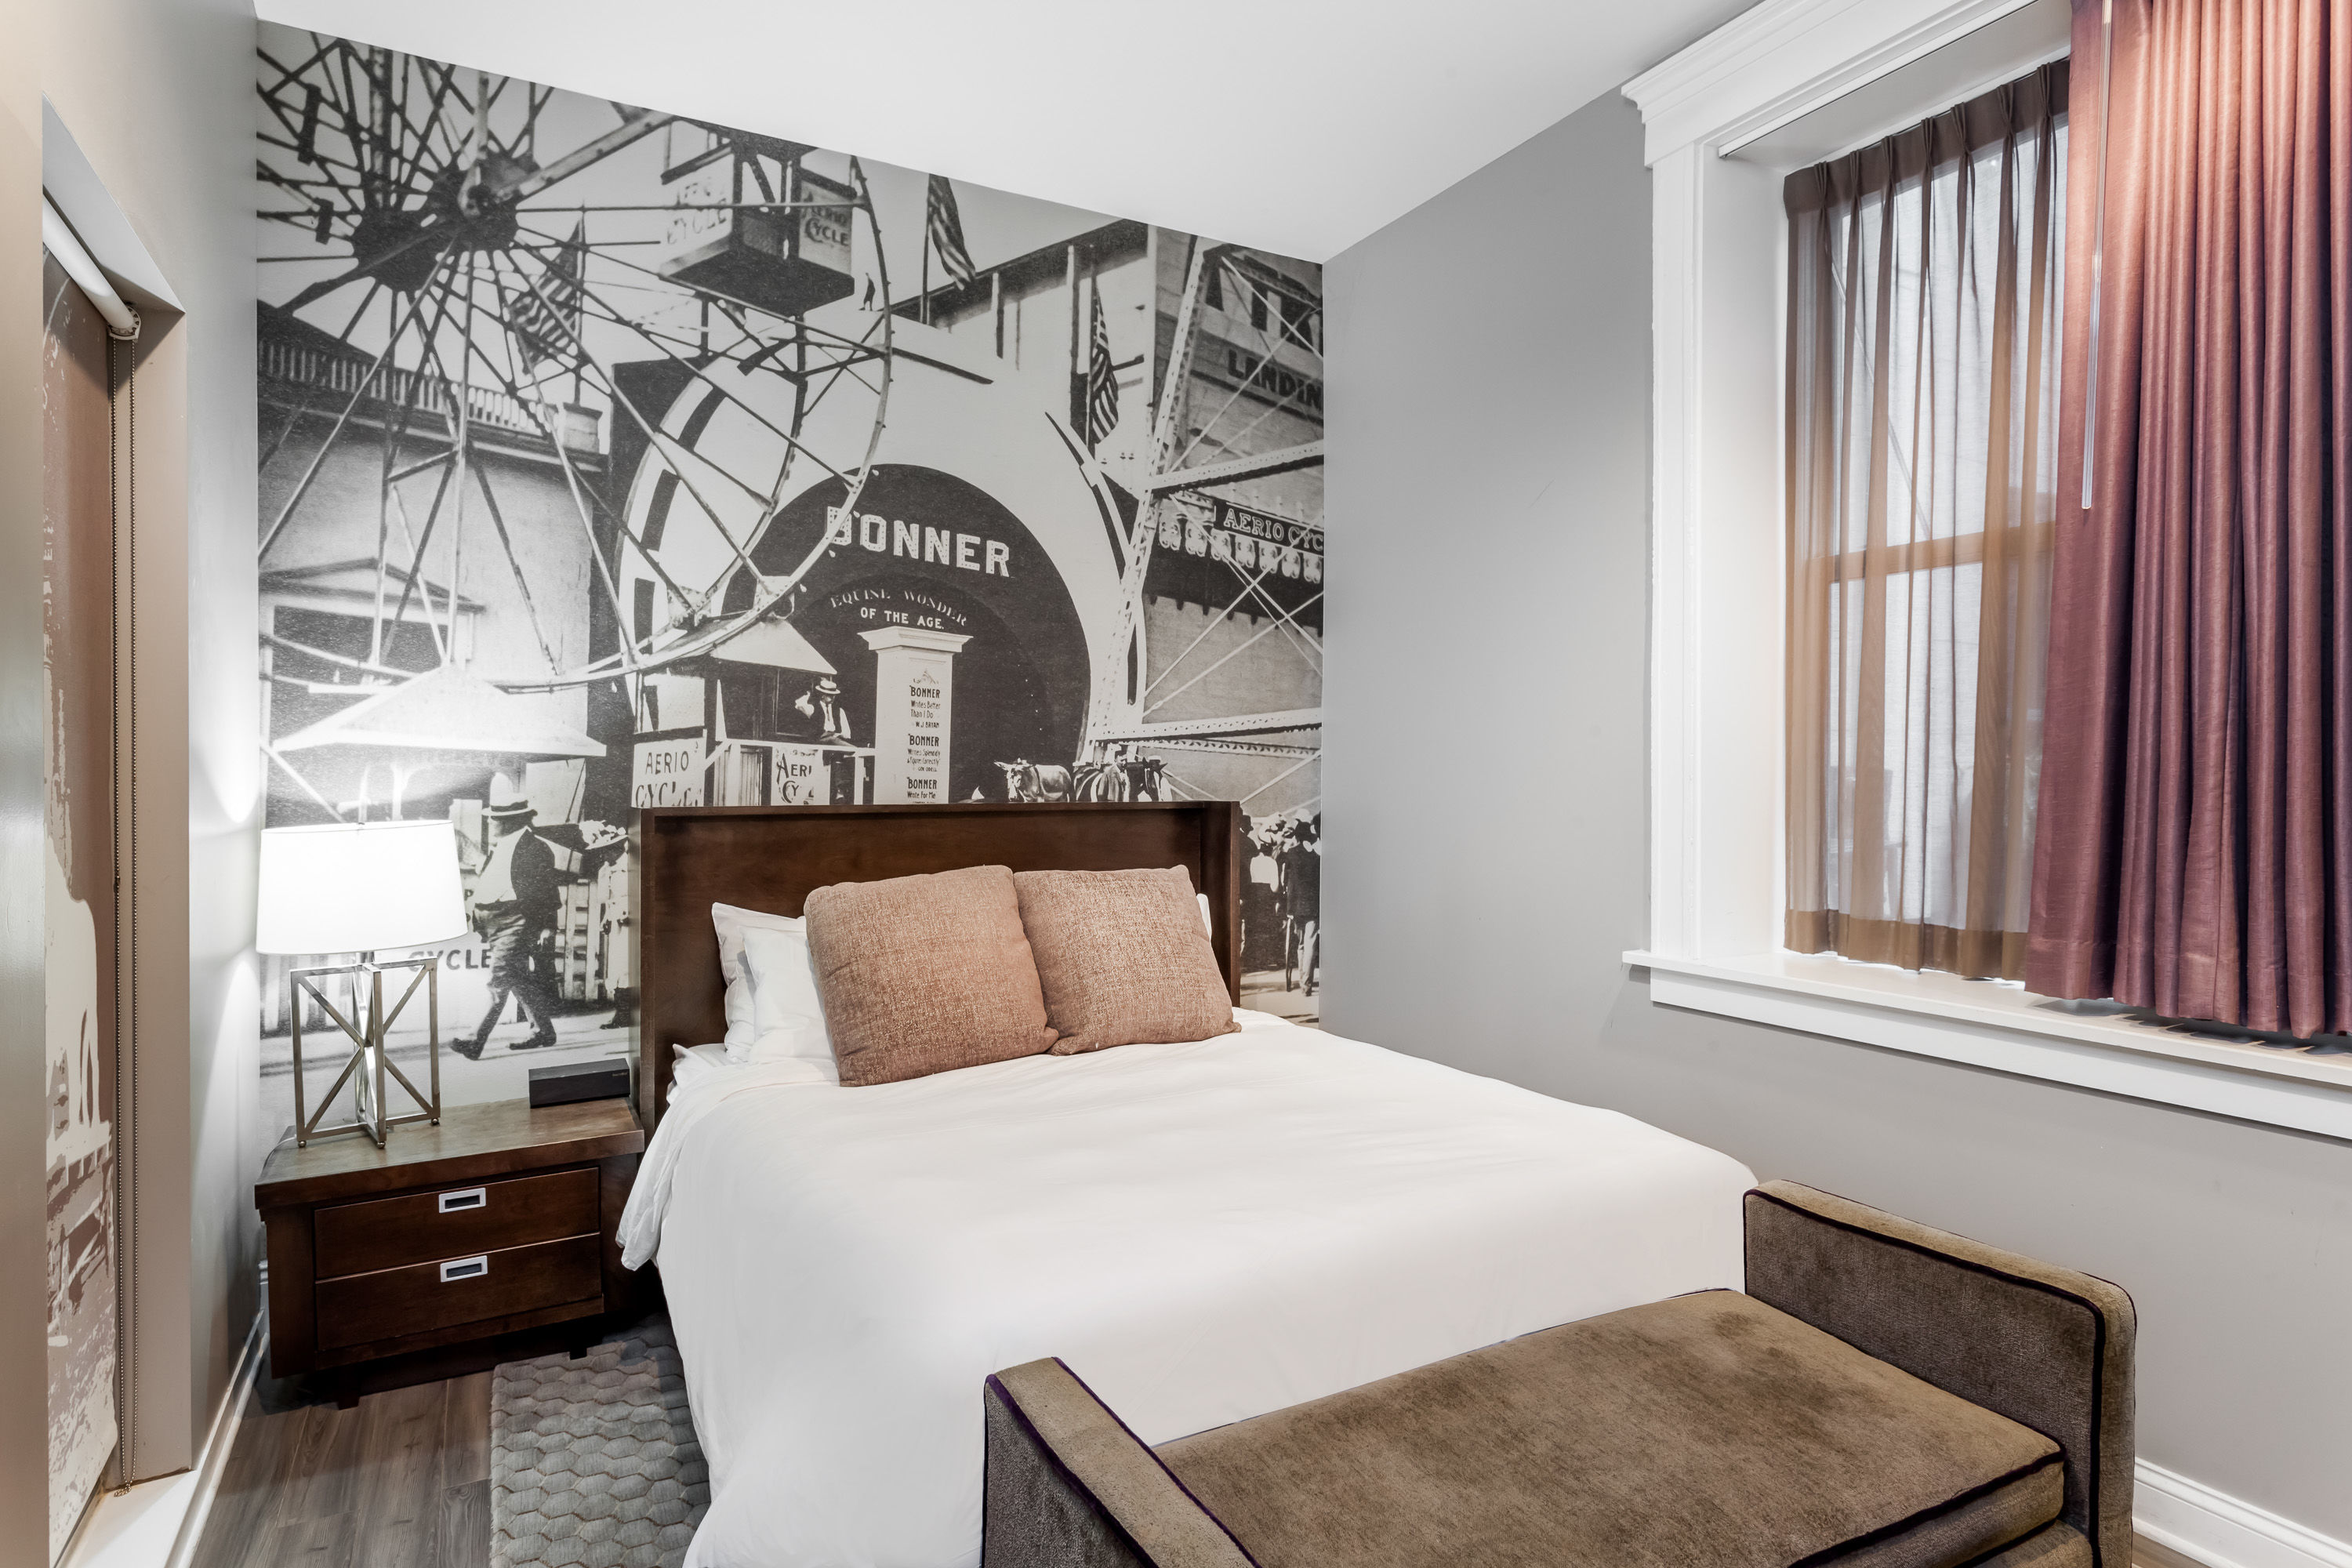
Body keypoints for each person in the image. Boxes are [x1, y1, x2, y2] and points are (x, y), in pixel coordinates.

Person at [456, 794, 562, 1058]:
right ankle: (543, 1031)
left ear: (510, 821)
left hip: (516, 921)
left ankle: (474, 1040)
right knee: (518, 978)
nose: (490, 822)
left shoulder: (535, 848)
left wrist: (548, 926)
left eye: (495, 819)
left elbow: (548, 891)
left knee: (500, 978)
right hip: (493, 922)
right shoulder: (500, 846)